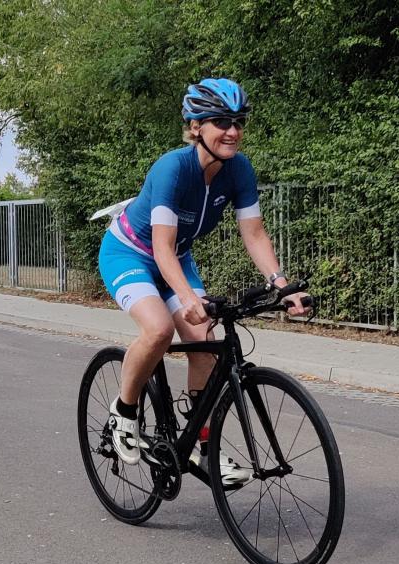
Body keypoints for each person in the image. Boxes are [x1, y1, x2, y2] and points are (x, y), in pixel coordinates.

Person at [97, 78, 309, 484]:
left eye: (238, 122)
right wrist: (186, 297)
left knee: (204, 343)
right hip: (130, 254)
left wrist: (282, 285)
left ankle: (199, 443)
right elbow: (161, 247)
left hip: (177, 258)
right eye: (221, 122)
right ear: (196, 127)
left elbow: (254, 234)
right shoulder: (173, 168)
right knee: (159, 330)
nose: (232, 131)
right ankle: (124, 412)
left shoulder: (239, 169)